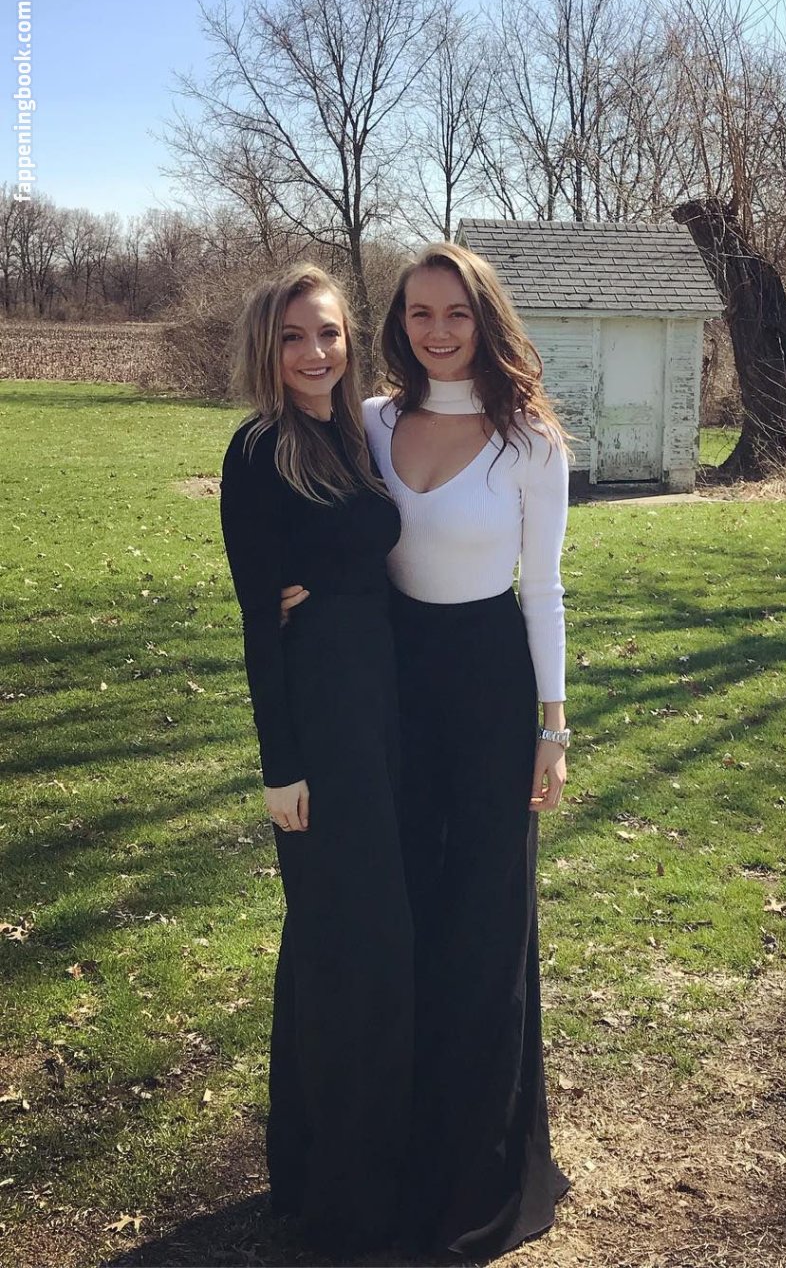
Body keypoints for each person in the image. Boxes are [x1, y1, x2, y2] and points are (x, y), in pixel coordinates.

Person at [281, 241, 572, 1262]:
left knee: (481, 920)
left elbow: (544, 590)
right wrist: (293, 585)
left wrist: (552, 728)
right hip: (387, 687)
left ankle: (474, 1164)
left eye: (455, 312)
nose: (437, 330)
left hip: (488, 690)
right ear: (396, 323)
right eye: (418, 313)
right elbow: (323, 520)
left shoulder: (529, 442)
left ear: (484, 319)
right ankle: (384, 1149)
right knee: (397, 917)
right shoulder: (367, 421)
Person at [218, 263, 414, 1259]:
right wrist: (279, 766)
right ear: (269, 346)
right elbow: (260, 623)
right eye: (293, 336)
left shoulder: (357, 434)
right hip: (320, 729)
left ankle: (315, 1160)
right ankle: (344, 1191)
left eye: (328, 333)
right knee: (349, 947)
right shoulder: (259, 449)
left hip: (381, 710)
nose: (312, 352)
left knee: (346, 943)